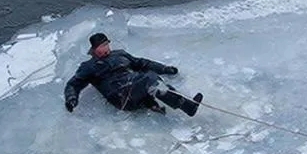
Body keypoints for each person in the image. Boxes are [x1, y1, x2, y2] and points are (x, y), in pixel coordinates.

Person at [64, 33, 203, 117]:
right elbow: (73, 84)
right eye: (101, 46)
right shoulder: (89, 66)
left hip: (133, 86)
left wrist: (165, 68)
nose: (105, 48)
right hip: (119, 95)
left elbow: (142, 63)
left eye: (106, 44)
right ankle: (188, 106)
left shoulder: (120, 54)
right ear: (94, 49)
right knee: (149, 78)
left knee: (148, 76)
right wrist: (71, 98)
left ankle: (152, 105)